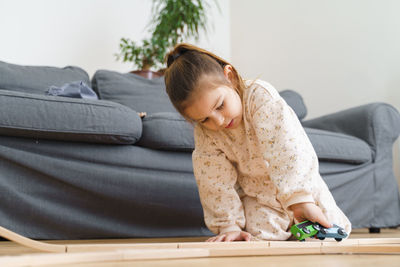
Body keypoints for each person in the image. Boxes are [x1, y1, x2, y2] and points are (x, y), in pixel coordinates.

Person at [164, 43, 351, 242]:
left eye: (220, 106)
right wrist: (229, 226)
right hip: (260, 199)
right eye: (204, 119)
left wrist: (299, 200)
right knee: (257, 237)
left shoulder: (260, 98)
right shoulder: (206, 134)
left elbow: (288, 150)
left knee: (332, 232)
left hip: (300, 187)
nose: (218, 122)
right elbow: (214, 183)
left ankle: (302, 215)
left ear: (231, 78)